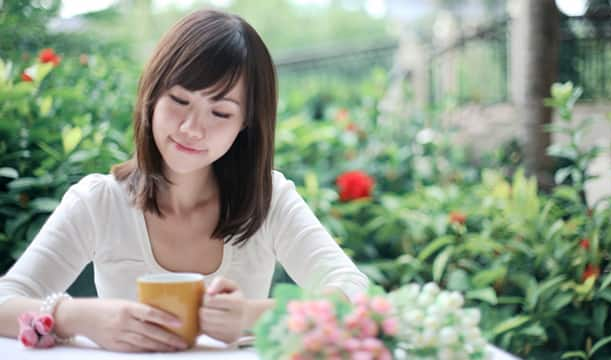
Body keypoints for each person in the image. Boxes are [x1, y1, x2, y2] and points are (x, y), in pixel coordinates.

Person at [0, 9, 368, 352]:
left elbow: (356, 294)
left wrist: (252, 316)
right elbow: (5, 300)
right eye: (179, 100)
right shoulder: (99, 202)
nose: (192, 128)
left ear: (247, 124)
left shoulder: (269, 199)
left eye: (220, 112)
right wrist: (79, 317)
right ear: (151, 97)